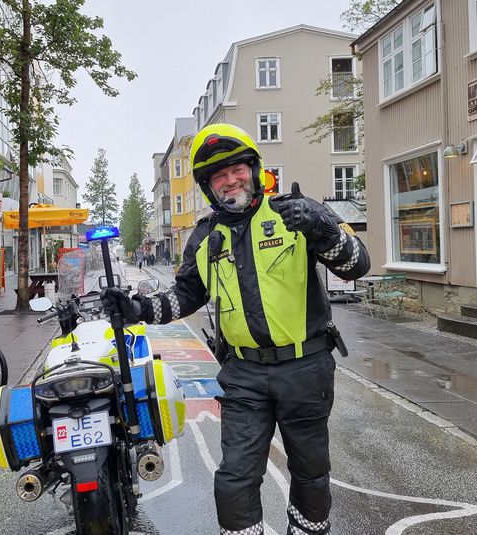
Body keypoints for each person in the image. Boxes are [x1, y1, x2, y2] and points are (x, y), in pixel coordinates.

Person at [102, 124, 370, 535]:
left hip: (305, 368)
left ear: (254, 169)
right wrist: (138, 307)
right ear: (210, 188)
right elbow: (185, 295)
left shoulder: (295, 213)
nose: (230, 181)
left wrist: (322, 225)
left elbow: (357, 265)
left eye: (236, 170)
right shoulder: (207, 237)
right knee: (234, 479)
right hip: (243, 374)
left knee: (310, 473)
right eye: (218, 177)